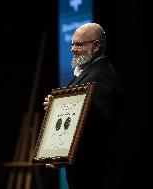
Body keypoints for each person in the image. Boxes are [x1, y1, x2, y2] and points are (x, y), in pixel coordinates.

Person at [43, 23, 122, 189]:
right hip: (85, 171)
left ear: (96, 46)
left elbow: (100, 127)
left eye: (79, 44)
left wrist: (65, 156)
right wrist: (57, 107)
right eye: (72, 44)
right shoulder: (89, 73)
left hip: (94, 172)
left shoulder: (101, 74)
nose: (73, 49)